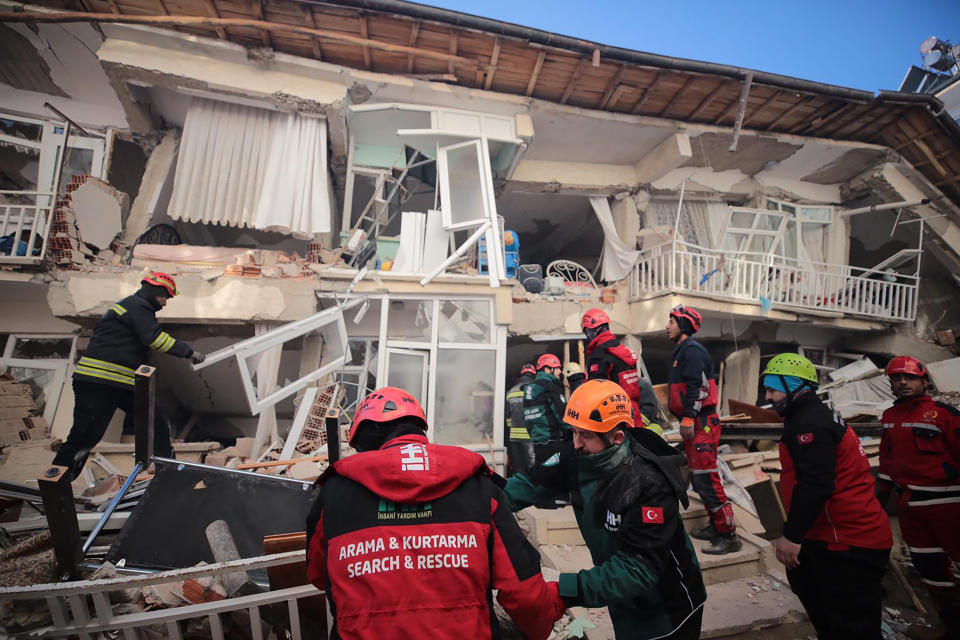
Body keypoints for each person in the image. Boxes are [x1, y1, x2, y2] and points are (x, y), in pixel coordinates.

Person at [305, 387, 565, 640]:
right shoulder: (478, 486)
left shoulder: (334, 493)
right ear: (419, 428)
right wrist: (540, 627)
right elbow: (523, 591)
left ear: (362, 440)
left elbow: (318, 575)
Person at [503, 379, 706, 639]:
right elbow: (525, 486)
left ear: (617, 437)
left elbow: (637, 569)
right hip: (623, 600)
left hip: (668, 609)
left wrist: (566, 590)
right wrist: (474, 501)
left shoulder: (648, 482)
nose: (575, 443)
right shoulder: (578, 456)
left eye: (585, 435)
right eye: (574, 431)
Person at [762, 353, 892, 640]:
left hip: (847, 541)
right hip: (835, 536)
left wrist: (792, 536)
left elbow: (816, 484)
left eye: (773, 389)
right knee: (825, 610)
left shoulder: (809, 424)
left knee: (851, 627)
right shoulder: (812, 416)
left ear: (796, 386)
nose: (768, 397)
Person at [52, 272, 204, 479]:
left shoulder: (134, 307)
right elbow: (155, 338)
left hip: (119, 383)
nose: (165, 303)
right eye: (165, 297)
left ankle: (167, 470)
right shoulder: (138, 306)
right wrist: (189, 352)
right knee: (85, 435)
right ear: (157, 291)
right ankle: (56, 480)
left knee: (155, 418)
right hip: (100, 381)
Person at [877, 356, 959, 639]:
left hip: (948, 507)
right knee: (929, 569)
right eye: (896, 378)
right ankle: (950, 626)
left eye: (909, 377)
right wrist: (878, 501)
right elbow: (886, 464)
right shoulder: (889, 417)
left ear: (924, 380)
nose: (902, 383)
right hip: (909, 509)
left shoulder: (944, 415)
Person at [665, 305, 740, 554]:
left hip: (702, 424)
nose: (668, 326)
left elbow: (699, 387)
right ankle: (716, 527)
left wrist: (688, 417)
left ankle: (729, 536)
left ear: (684, 325)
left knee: (708, 479)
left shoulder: (693, 351)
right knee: (699, 478)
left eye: (672, 321)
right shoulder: (683, 351)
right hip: (696, 423)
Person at [582, 308, 644, 429]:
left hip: (614, 416)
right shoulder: (622, 350)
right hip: (633, 412)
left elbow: (595, 391)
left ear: (590, 331)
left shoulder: (599, 355)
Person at [524, 353, 568, 466]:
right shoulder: (551, 387)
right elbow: (563, 416)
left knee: (542, 475)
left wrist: (535, 436)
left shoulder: (529, 389)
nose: (560, 372)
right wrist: (572, 434)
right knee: (555, 477)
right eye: (557, 368)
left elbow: (528, 419)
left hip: (537, 443)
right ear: (548, 369)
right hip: (552, 442)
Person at [506, 363, 537, 476]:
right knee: (532, 467)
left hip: (514, 436)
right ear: (534, 374)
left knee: (518, 467)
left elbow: (508, 416)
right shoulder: (535, 390)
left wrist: (512, 427)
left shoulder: (511, 392)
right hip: (530, 436)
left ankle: (520, 490)